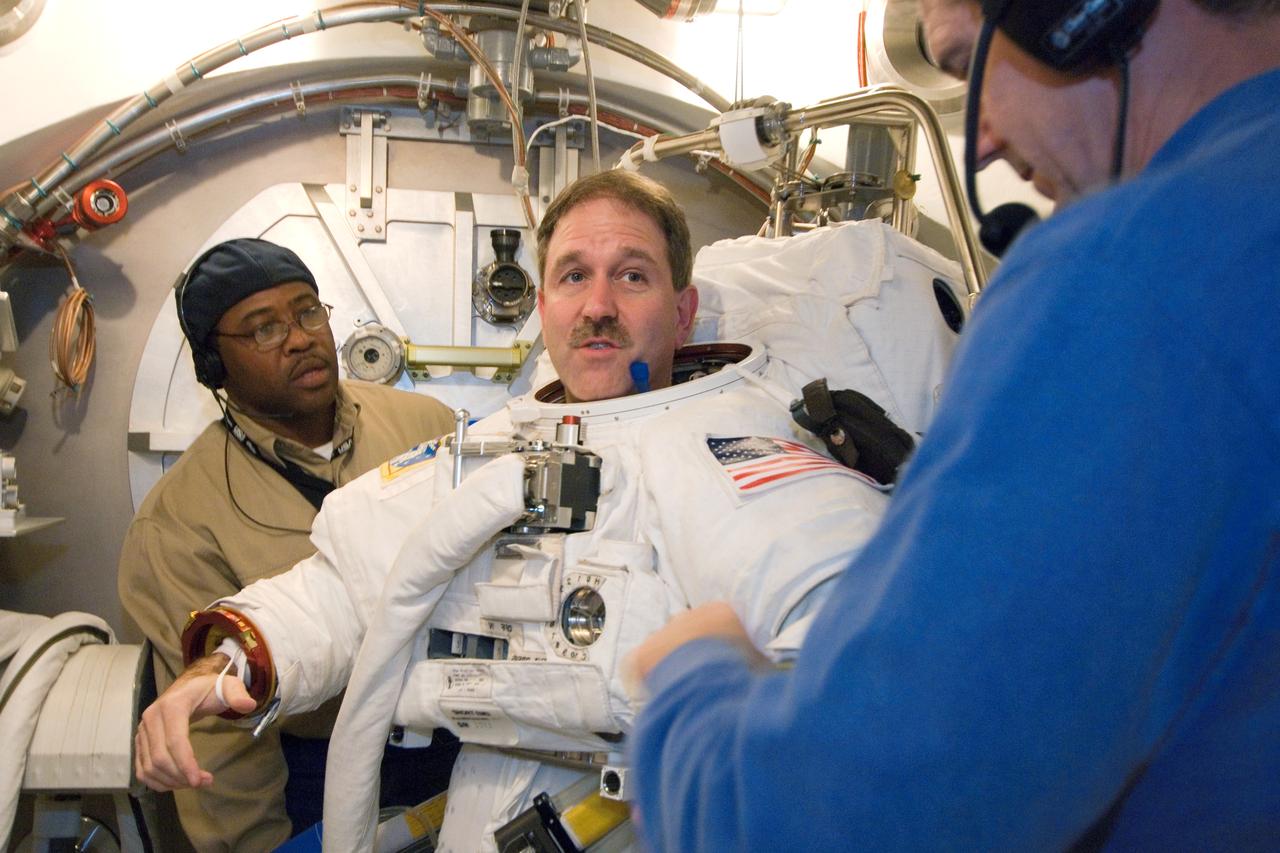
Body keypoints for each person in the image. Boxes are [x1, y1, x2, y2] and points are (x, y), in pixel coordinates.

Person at [131, 171, 965, 851]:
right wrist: (219, 671)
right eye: (573, 276)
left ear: (681, 309)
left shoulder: (747, 445)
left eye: (630, 274)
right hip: (486, 807)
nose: (597, 304)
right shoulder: (481, 449)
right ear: (546, 307)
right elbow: (342, 589)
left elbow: (850, 649)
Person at [624, 0, 1280, 850]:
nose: (982, 143)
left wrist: (691, 686)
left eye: (968, 64)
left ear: (1078, 12)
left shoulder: (1133, 278)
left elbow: (839, 819)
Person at [118, 237, 461, 852]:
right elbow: (222, 739)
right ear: (213, 366)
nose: (300, 337)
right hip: (310, 766)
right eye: (263, 328)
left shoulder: (427, 428)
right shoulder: (178, 522)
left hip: (459, 733)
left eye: (307, 311)